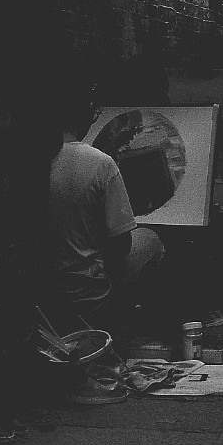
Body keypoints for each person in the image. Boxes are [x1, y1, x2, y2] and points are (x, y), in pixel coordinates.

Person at [47, 108, 165, 332]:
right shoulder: (102, 163)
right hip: (91, 299)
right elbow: (121, 246)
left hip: (45, 300)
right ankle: (118, 321)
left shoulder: (30, 159)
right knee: (150, 240)